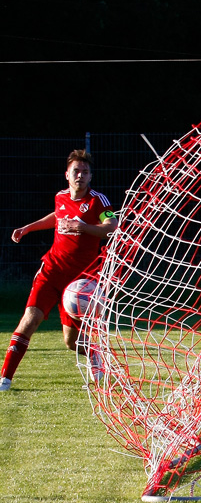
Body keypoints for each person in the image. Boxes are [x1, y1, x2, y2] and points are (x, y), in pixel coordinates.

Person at [0, 150, 118, 392]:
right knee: (29, 319)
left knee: (72, 342)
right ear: (67, 174)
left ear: (91, 176)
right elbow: (57, 216)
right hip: (52, 270)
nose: (81, 176)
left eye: (85, 172)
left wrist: (83, 227)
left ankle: (96, 357)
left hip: (79, 280)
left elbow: (111, 226)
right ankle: (5, 379)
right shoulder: (60, 196)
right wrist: (27, 228)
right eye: (76, 171)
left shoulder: (98, 201)